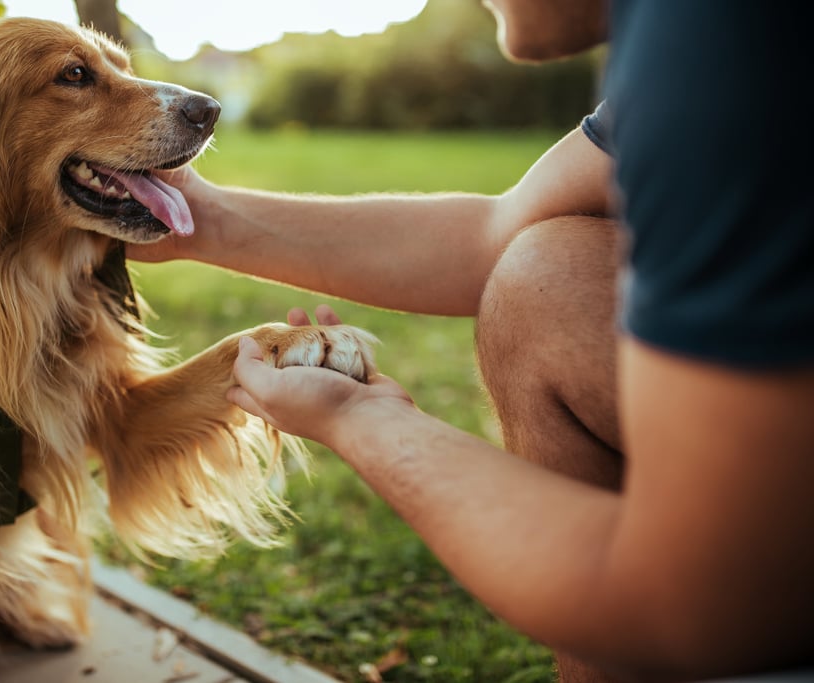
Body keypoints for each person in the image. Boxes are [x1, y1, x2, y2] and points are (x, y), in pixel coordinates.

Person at [127, 1, 814, 681]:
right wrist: (202, 220)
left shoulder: (720, 30)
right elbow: (498, 233)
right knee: (545, 276)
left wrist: (361, 418)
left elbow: (696, 604)